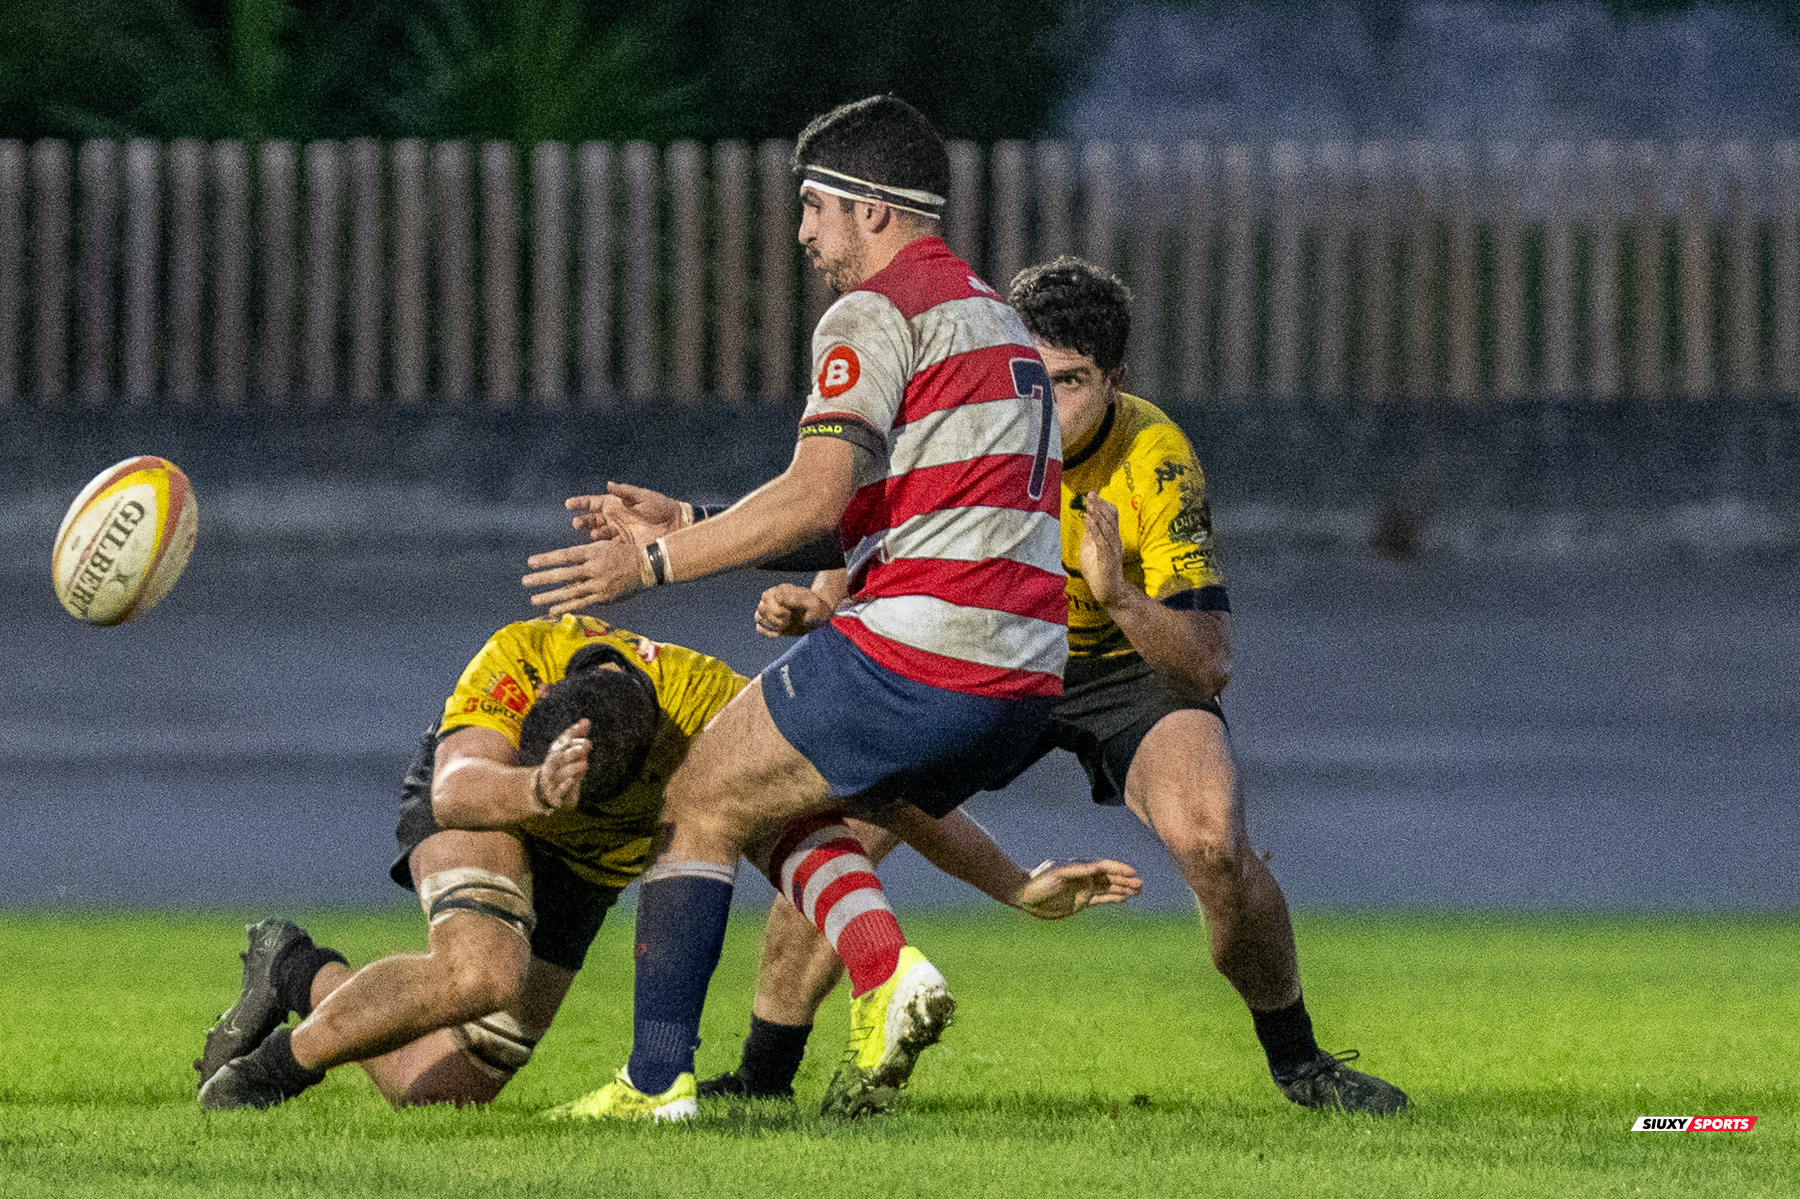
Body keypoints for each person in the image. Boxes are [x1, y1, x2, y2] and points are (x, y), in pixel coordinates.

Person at [697, 258, 1408, 1116]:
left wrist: (1118, 597)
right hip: (984, 647)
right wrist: (817, 597)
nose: (1045, 404)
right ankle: (763, 1079)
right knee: (839, 822)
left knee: (1213, 842)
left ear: (1117, 380)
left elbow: (1210, 660)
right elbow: (873, 528)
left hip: (1117, 662)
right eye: (1032, 377)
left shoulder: (1156, 458)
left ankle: (1300, 1063)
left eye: (1070, 382)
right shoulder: (973, 423)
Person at [521, 94, 1068, 1120]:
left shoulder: (873, 313)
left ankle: (655, 1082)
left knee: (698, 795)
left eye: (815, 206)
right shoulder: (995, 320)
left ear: (872, 208)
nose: (804, 232)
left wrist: (654, 560)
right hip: (1026, 676)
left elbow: (816, 493)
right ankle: (884, 976)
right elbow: (871, 515)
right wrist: (693, 513)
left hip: (926, 644)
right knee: (794, 806)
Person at [195, 614, 1137, 1113]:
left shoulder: (714, 713)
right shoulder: (522, 658)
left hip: (589, 858)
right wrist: (535, 792)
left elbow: (885, 796)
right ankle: (268, 1075)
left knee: (448, 1091)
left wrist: (1013, 883)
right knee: (482, 968)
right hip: (502, 808)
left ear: (653, 761)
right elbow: (456, 786)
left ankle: (292, 966)